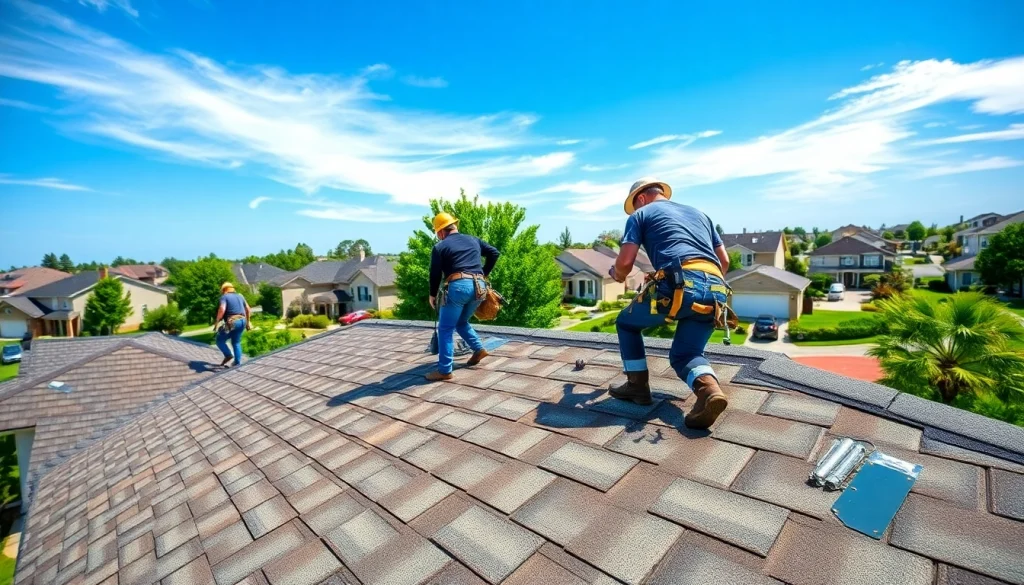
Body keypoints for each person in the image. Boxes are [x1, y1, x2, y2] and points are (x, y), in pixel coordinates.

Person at [607, 178, 731, 429]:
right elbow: (725, 262)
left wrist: (616, 274)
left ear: (640, 198)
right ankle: (709, 392)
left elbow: (625, 262)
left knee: (626, 323)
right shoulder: (700, 214)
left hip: (678, 283)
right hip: (717, 289)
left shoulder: (641, 214)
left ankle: (637, 386)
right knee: (687, 354)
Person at [426, 212, 500, 381]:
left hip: (458, 287)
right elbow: (494, 253)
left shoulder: (440, 247)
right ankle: (478, 349)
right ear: (455, 225)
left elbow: (435, 273)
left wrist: (432, 294)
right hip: (480, 287)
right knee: (461, 322)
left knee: (445, 329)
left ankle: (444, 370)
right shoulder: (473, 239)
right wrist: (484, 274)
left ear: (441, 232)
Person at [215, 282, 251, 367]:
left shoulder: (224, 297)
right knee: (236, 342)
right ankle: (237, 363)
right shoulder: (240, 296)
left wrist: (217, 321)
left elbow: (222, 309)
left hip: (233, 322)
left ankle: (228, 355)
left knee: (219, 340)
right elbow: (248, 309)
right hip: (242, 321)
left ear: (224, 290)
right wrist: (248, 322)